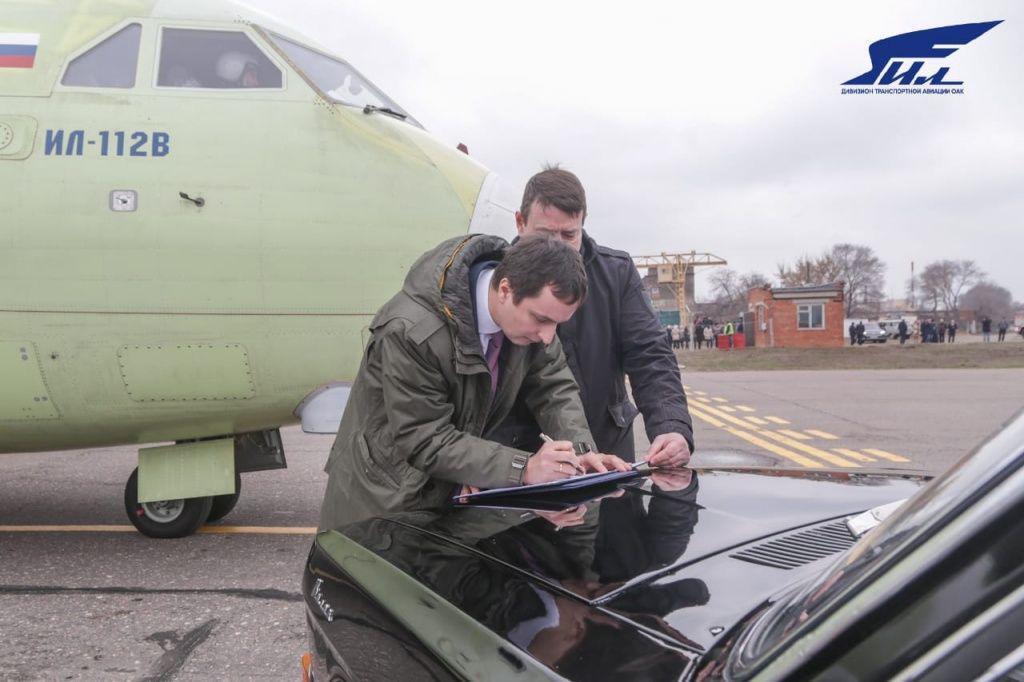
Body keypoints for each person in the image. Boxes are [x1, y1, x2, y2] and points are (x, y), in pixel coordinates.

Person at [318, 234, 628, 531]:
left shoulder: (526, 321)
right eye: (542, 320)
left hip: (452, 494)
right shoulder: (412, 331)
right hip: (382, 502)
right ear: (505, 290)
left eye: (557, 324)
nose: (548, 336)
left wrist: (579, 454)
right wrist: (524, 469)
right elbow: (425, 437)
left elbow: (554, 389)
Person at [493, 166, 693, 466]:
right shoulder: (495, 278)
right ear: (520, 223)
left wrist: (671, 426)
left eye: (568, 235)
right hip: (519, 458)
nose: (556, 247)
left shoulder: (616, 274)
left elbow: (650, 355)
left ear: (583, 225)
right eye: (545, 234)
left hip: (607, 448)